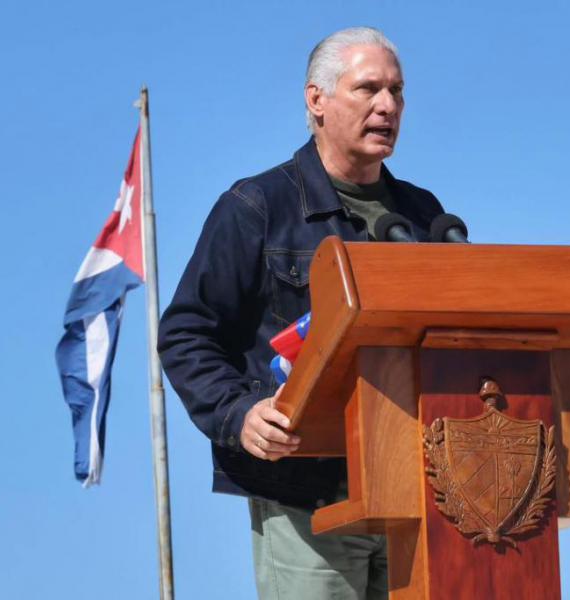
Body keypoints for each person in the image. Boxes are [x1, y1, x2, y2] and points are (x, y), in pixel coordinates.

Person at [158, 26, 444, 599]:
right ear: (317, 99)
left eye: (397, 91)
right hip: (303, 496)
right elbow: (187, 332)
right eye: (368, 89)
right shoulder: (256, 207)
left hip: (416, 492)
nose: (387, 106)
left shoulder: (426, 218)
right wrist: (239, 413)